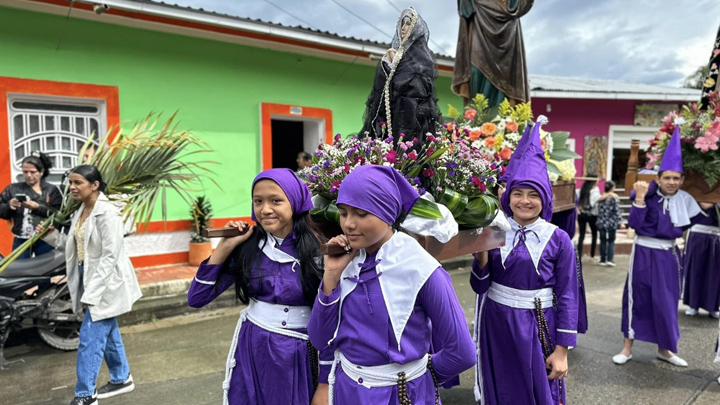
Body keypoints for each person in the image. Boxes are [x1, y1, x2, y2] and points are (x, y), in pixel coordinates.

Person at [308, 165, 475, 404]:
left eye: (361, 213)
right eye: (344, 213)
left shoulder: (422, 270)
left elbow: (462, 353)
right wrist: (331, 277)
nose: (349, 224)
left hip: (402, 395)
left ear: (386, 213)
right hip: (348, 392)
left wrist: (416, 378)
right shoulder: (345, 263)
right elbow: (320, 339)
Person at [187, 168, 329, 405]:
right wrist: (225, 246)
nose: (265, 209)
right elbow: (197, 298)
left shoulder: (319, 249)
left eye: (276, 200)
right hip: (253, 346)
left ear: (294, 201)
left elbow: (330, 317)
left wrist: (324, 381)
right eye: (258, 201)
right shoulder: (249, 248)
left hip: (299, 351)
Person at [471, 119, 578, 405]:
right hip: (496, 323)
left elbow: (568, 294)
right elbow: (480, 287)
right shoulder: (494, 230)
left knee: (538, 389)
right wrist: (480, 253)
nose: (524, 201)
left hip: (537, 324)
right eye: (517, 193)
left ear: (545, 199)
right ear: (507, 197)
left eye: (533, 194)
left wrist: (562, 350)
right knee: (501, 387)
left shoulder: (558, 239)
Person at [40, 165, 142, 405]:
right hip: (90, 275)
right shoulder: (83, 209)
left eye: (78, 183)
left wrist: (93, 292)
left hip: (107, 281)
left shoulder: (107, 212)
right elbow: (76, 245)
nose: (72, 188)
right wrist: (50, 235)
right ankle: (121, 378)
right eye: (71, 183)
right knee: (108, 330)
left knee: (90, 337)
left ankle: (85, 394)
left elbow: (110, 255)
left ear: (94, 185)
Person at [612, 125, 713, 367]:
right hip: (643, 252)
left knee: (666, 301)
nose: (671, 182)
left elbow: (700, 216)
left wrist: (710, 199)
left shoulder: (686, 199)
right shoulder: (646, 195)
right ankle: (627, 348)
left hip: (669, 254)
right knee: (637, 297)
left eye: (676, 178)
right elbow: (634, 225)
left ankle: (665, 350)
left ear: (682, 180)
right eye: (666, 177)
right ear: (658, 177)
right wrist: (638, 198)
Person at [360, 7, 440, 146]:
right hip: (390, 114)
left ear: (416, 29)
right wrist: (388, 63)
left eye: (409, 24)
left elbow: (418, 88)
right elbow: (382, 87)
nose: (404, 28)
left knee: (408, 153)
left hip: (412, 118)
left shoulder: (423, 56)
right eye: (402, 24)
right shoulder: (395, 53)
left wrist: (397, 65)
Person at [452, 0, 534, 107]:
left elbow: (521, 5)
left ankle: (504, 122)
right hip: (479, 18)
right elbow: (466, 11)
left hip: (508, 32)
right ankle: (478, 120)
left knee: (507, 91)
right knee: (476, 72)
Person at [0, 151, 62, 258]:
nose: (29, 175)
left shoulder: (51, 190)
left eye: (33, 172)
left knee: (45, 268)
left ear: (41, 172)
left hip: (45, 237)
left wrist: (38, 207)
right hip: (21, 238)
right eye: (25, 172)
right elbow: (2, 212)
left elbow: (59, 215)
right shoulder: (12, 189)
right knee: (20, 270)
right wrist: (9, 205)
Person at [683, 203, 720, 318]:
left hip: (716, 235)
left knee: (714, 273)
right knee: (696, 270)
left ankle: (713, 306)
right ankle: (693, 304)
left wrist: (715, 203)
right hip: (698, 235)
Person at [596, 180, 623, 267]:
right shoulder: (614, 199)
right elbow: (617, 211)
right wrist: (620, 221)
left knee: (603, 241)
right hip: (612, 223)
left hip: (601, 222)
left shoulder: (601, 198)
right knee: (611, 241)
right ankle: (610, 259)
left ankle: (602, 260)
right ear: (612, 188)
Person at [576, 175, 601, 262]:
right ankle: (592, 255)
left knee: (581, 235)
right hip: (592, 215)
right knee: (594, 234)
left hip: (582, 214)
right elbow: (596, 201)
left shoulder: (581, 190)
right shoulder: (595, 191)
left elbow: (576, 198)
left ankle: (579, 255)